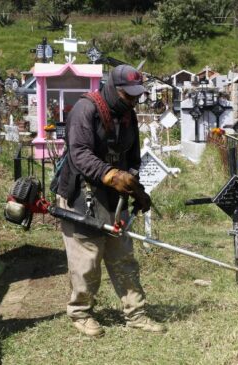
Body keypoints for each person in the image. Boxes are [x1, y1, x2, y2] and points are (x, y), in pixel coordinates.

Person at [56, 64, 165, 337]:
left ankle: (136, 314)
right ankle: (81, 313)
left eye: (137, 95)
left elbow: (134, 158)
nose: (133, 100)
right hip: (82, 193)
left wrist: (136, 188)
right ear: (112, 88)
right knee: (88, 260)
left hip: (114, 197)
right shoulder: (86, 109)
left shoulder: (129, 115)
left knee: (123, 257)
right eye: (128, 95)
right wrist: (110, 174)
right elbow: (79, 153)